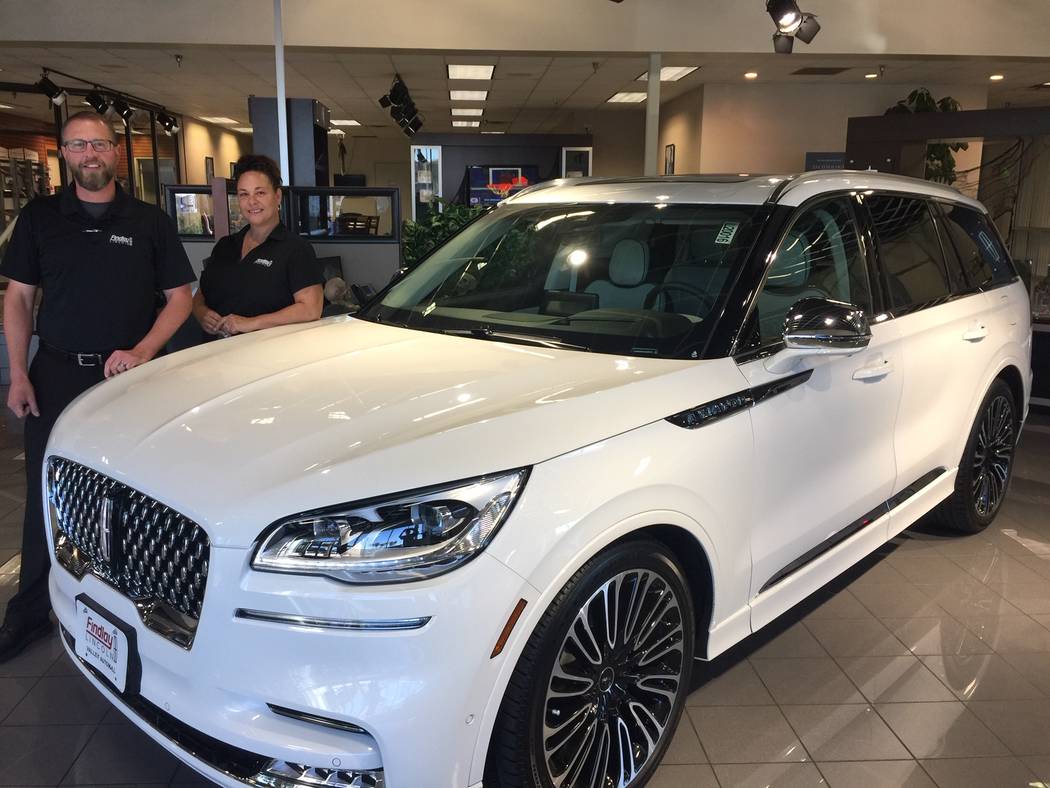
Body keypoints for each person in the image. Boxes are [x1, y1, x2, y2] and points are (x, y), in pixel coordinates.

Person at [0, 110, 195, 662]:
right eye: (78, 145)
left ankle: (144, 607)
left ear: (116, 152)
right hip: (55, 372)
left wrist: (142, 351)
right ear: (64, 153)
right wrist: (19, 371)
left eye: (100, 144)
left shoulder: (148, 221)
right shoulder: (39, 219)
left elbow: (180, 296)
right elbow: (17, 297)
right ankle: (31, 609)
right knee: (49, 488)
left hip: (130, 380)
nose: (90, 154)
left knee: (140, 493)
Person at [192, 155, 322, 339]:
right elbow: (200, 295)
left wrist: (251, 323)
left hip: (267, 355)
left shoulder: (295, 249)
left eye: (260, 193)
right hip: (215, 354)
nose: (251, 201)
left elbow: (311, 309)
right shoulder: (225, 246)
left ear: (277, 196)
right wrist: (201, 313)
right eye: (244, 194)